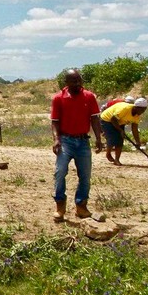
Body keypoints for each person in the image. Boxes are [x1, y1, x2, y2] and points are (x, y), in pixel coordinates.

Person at [50, 69, 103, 222]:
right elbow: (55, 122)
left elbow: (94, 119)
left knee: (85, 176)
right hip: (65, 140)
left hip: (83, 141)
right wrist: (56, 139)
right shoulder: (58, 98)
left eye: (79, 80)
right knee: (60, 172)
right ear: (66, 82)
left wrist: (98, 138)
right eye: (74, 81)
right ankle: (60, 206)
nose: (78, 83)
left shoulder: (89, 96)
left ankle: (81, 206)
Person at [99, 98, 148, 165]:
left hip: (119, 122)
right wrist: (120, 130)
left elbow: (134, 129)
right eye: (142, 109)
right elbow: (113, 119)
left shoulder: (137, 116)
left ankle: (117, 160)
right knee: (112, 138)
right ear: (136, 107)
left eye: (144, 109)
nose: (143, 111)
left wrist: (137, 142)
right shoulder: (125, 109)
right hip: (107, 119)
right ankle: (108, 154)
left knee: (120, 140)